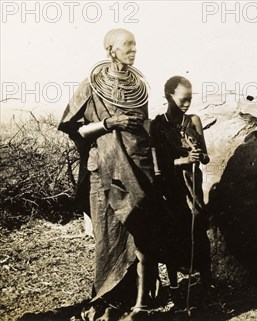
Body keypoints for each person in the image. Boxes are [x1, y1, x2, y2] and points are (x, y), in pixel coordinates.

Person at [58, 28, 161, 320]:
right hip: (103, 171)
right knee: (109, 238)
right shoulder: (90, 85)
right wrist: (108, 123)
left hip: (137, 171)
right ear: (110, 50)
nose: (133, 49)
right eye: (127, 45)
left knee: (139, 235)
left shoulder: (138, 88)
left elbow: (143, 130)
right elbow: (73, 128)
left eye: (135, 45)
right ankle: (109, 301)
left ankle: (141, 302)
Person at [149, 76, 212, 296]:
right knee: (173, 232)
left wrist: (199, 154)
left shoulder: (194, 121)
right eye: (183, 99)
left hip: (193, 184)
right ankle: (175, 286)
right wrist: (181, 161)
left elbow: (205, 157)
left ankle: (206, 283)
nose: (187, 104)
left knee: (198, 229)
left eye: (190, 99)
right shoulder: (157, 125)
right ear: (169, 96)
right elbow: (156, 164)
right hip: (171, 187)